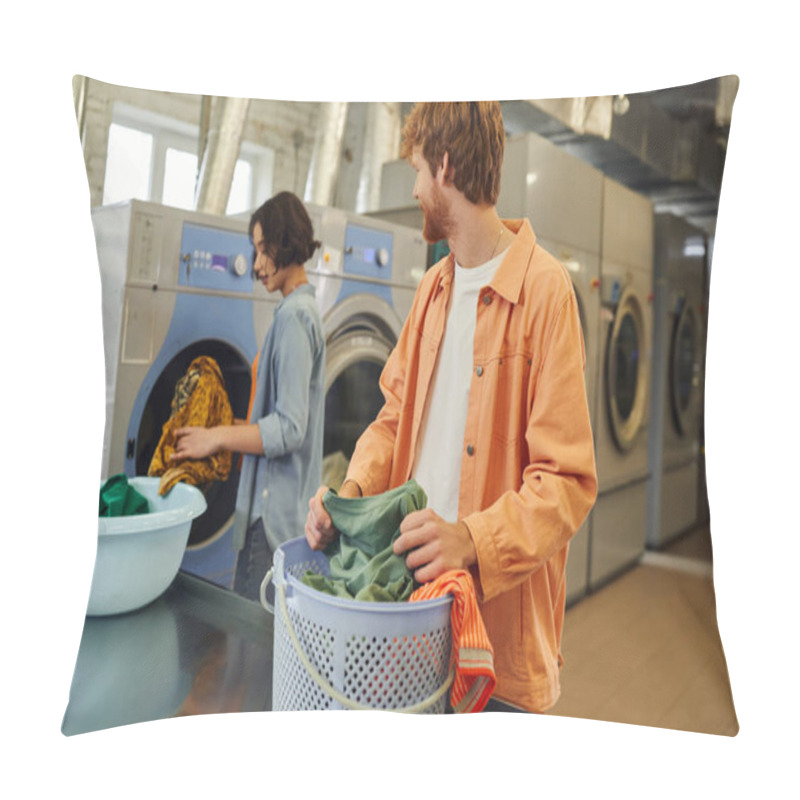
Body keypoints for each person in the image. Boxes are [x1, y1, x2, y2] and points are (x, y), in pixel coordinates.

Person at [305, 102, 598, 713]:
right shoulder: (435, 289)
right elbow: (392, 420)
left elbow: (566, 483)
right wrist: (350, 493)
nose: (413, 189)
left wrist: (471, 540)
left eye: (416, 171)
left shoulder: (544, 293)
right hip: (416, 619)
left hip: (498, 649)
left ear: (444, 166)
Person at [171, 191, 326, 600]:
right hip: (280, 516)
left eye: (263, 249)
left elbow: (289, 429)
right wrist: (216, 426)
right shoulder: (298, 312)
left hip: (272, 524)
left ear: (286, 241)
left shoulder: (294, 318)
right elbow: (274, 421)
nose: (256, 265)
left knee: (256, 655)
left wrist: (217, 437)